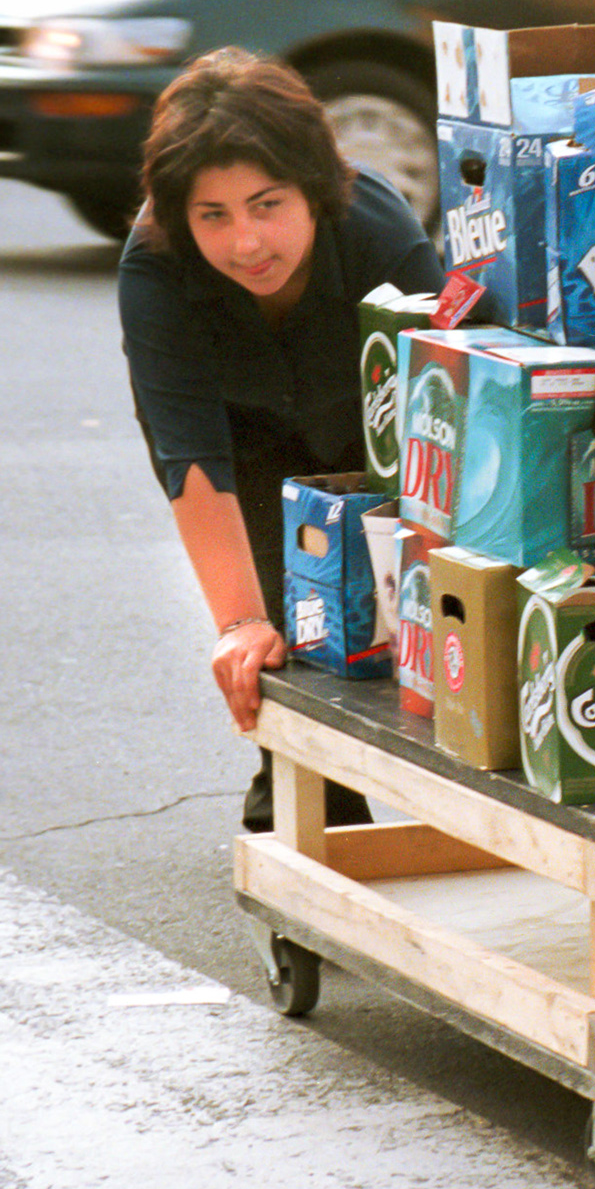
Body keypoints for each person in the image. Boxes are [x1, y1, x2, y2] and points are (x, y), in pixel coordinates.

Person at [120, 47, 445, 831]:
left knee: (397, 620)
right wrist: (239, 627)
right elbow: (190, 454)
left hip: (375, 437)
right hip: (248, 445)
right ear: (177, 215)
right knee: (288, 638)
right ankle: (302, 806)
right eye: (214, 216)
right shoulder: (154, 272)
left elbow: (445, 415)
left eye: (267, 205)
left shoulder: (381, 234)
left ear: (316, 189)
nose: (246, 244)